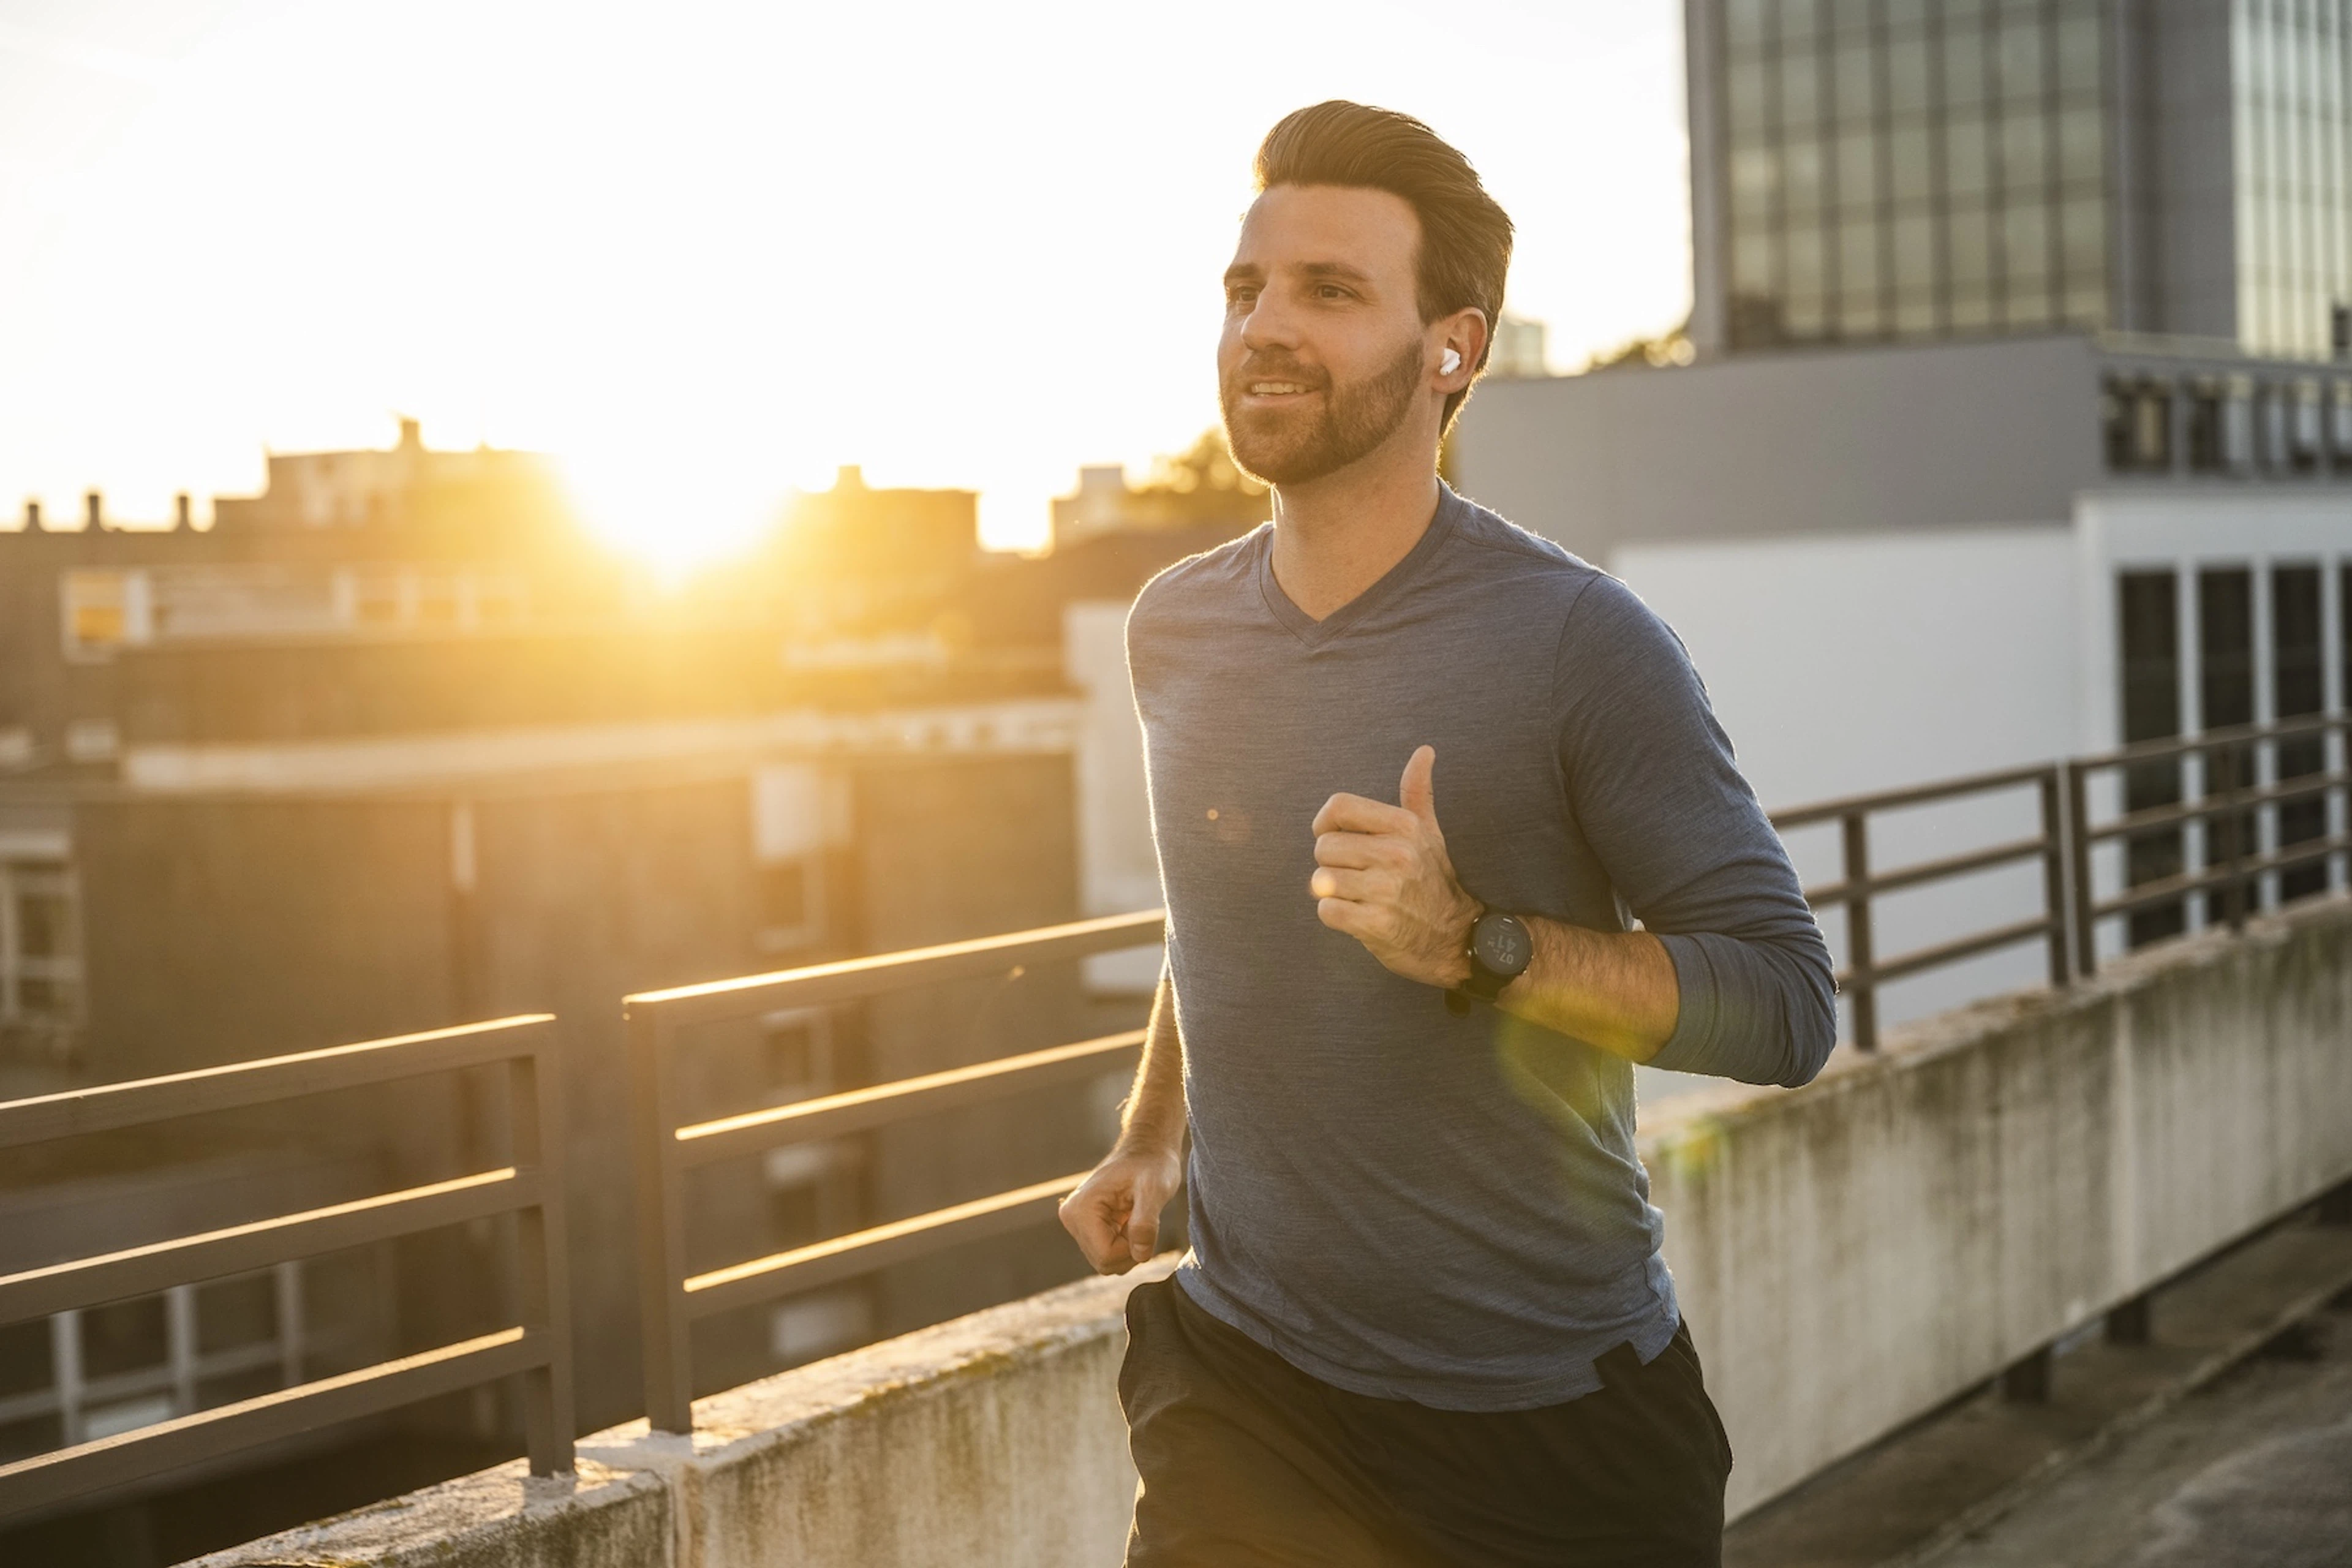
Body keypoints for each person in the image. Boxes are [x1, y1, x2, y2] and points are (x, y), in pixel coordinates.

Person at [1058, 100, 1837, 1567]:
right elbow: (1215, 910)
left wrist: (1471, 940)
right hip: (1243, 1380)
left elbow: (1789, 1007)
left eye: (1330, 291)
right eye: (1247, 288)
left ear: (1452, 349)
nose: (1263, 328)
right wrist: (1150, 1136)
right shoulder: (1177, 629)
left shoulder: (1582, 643)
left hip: (1544, 1432)